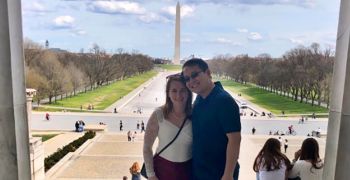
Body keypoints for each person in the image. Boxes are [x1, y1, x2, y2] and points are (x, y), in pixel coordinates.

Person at [182, 58, 241, 180]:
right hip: (201, 171)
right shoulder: (200, 99)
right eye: (187, 79)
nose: (191, 81)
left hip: (218, 173)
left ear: (208, 73)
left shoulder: (224, 101)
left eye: (194, 75)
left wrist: (228, 174)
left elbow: (235, 139)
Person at [143, 73, 193, 180]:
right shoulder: (158, 114)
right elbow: (147, 147)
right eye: (174, 91)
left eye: (183, 90)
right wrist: (151, 174)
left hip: (188, 170)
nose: (178, 95)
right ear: (168, 93)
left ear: (188, 92)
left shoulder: (196, 115)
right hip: (163, 168)